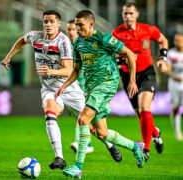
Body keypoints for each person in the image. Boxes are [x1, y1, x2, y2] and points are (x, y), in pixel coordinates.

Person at [1, 10, 120, 171]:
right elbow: (22, 41)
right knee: (49, 114)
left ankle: (109, 145)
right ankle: (59, 157)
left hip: (69, 89)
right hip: (49, 89)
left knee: (94, 128)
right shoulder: (35, 36)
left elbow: (69, 70)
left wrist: (51, 72)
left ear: (58, 24)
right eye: (45, 21)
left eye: (51, 22)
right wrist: (9, 56)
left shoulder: (63, 42)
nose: (48, 25)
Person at [56, 10, 145, 179]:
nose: (77, 28)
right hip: (90, 88)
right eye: (76, 25)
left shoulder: (104, 39)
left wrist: (132, 81)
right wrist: (64, 86)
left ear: (91, 24)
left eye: (80, 25)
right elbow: (76, 70)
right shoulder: (79, 44)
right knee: (102, 133)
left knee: (83, 119)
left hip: (106, 84)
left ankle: (78, 167)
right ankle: (135, 147)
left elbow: (130, 54)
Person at [112, 2, 167, 161]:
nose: (128, 16)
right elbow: (111, 53)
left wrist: (163, 59)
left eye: (130, 13)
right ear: (122, 15)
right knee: (140, 115)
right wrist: (123, 58)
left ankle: (146, 148)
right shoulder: (117, 34)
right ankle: (155, 133)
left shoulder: (148, 29)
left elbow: (163, 40)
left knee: (144, 108)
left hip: (146, 73)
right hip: (128, 76)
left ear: (137, 14)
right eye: (125, 14)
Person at [66, 20, 122, 161]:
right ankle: (110, 144)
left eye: (74, 29)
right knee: (91, 124)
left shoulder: (87, 43)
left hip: (88, 87)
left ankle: (85, 147)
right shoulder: (66, 46)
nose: (72, 32)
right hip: (72, 88)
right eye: (69, 30)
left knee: (83, 117)